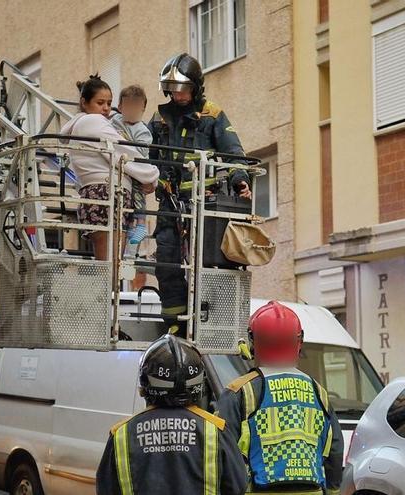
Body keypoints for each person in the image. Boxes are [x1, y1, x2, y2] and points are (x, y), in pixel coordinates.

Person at [148, 53, 252, 335]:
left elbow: (233, 152)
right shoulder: (159, 118)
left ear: (195, 86)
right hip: (170, 207)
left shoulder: (212, 115)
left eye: (183, 89)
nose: (178, 95)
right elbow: (144, 155)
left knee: (208, 266)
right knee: (166, 264)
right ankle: (175, 327)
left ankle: (209, 323)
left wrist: (240, 179)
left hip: (205, 207)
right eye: (173, 89)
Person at [216, 301, 343, 495]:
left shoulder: (239, 391)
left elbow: (221, 451)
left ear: (253, 342)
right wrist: (333, 490)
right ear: (299, 342)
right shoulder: (318, 391)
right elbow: (335, 449)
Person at [96, 334, 247, 495]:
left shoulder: (121, 434)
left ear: (145, 385)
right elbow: (238, 486)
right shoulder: (216, 431)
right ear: (198, 385)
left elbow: (105, 488)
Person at [61, 75, 159, 261]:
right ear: (84, 102)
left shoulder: (82, 124)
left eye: (109, 103)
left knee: (109, 261)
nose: (106, 108)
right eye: (100, 103)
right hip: (106, 194)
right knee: (111, 263)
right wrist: (152, 176)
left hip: (99, 194)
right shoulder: (93, 122)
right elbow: (123, 153)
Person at [111, 84, 153, 288]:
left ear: (143, 110)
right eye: (129, 107)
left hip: (135, 170)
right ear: (120, 107)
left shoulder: (142, 130)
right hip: (120, 171)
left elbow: (142, 153)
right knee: (124, 215)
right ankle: (129, 238)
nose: (133, 112)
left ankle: (141, 225)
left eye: (137, 108)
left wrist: (124, 144)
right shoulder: (114, 121)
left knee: (138, 197)